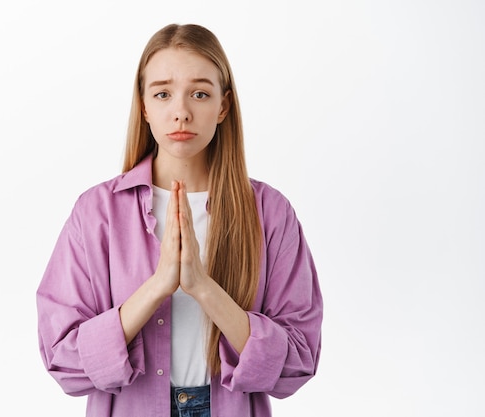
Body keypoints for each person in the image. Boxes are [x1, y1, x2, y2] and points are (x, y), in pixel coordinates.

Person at [36, 23, 323, 417]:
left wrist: (204, 288)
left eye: (200, 93)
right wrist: (156, 287)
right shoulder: (97, 212)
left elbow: (298, 361)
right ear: (144, 106)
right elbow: (61, 359)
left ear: (223, 106)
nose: (182, 112)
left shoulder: (270, 213)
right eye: (163, 93)